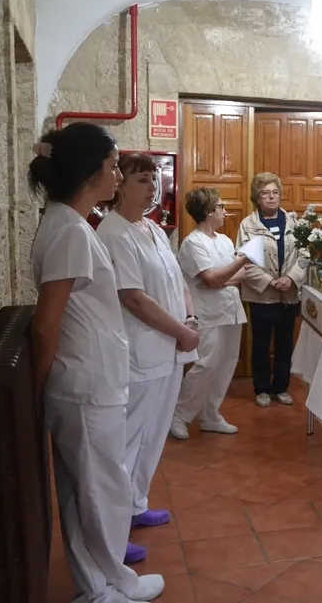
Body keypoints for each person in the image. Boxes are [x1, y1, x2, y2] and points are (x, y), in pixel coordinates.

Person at [29, 122, 164, 603]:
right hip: (84, 384)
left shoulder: (71, 223)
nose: (116, 175)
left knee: (87, 489)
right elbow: (47, 323)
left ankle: (105, 582)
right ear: (91, 172)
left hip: (91, 380)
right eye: (111, 167)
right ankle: (105, 587)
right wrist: (36, 389)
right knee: (99, 492)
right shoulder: (69, 229)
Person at [97, 152, 199, 565]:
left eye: (154, 178)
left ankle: (136, 504)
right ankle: (112, 529)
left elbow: (176, 280)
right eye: (142, 179)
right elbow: (133, 298)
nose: (152, 186)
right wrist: (181, 332)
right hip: (141, 354)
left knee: (153, 437)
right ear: (119, 185)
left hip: (169, 352)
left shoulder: (154, 229)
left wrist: (188, 318)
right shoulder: (113, 231)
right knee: (126, 443)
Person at [171, 187, 254, 439]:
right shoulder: (193, 243)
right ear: (208, 212)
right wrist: (241, 261)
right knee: (204, 365)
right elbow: (211, 277)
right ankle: (180, 415)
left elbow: (238, 277)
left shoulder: (225, 241)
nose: (225, 212)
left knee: (226, 364)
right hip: (207, 314)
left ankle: (210, 414)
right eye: (220, 207)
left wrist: (222, 278)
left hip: (230, 311)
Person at [236, 172, 307, 408]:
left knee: (286, 343)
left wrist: (291, 278)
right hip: (262, 296)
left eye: (275, 192)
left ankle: (281, 387)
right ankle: (262, 388)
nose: (271, 197)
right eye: (265, 193)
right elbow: (244, 260)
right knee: (261, 344)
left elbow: (305, 255)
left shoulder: (294, 222)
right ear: (257, 198)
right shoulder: (248, 224)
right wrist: (270, 281)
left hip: (289, 294)